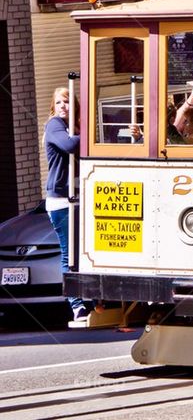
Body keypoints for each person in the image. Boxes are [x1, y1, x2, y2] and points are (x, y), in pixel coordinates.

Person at [44, 88, 87, 321]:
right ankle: (76, 304)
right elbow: (70, 146)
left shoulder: (76, 127)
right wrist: (88, 134)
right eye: (59, 102)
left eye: (67, 102)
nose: (63, 106)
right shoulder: (54, 125)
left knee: (83, 252)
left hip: (80, 193)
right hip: (61, 198)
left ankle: (91, 299)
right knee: (68, 252)